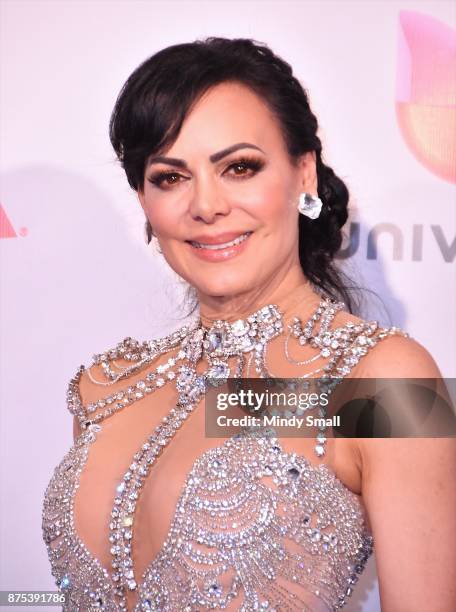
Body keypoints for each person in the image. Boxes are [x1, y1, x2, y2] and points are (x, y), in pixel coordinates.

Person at [42, 37, 455, 611]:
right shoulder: (106, 388)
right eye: (170, 176)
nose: (206, 205)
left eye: (239, 167)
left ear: (303, 173)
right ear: (143, 199)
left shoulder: (382, 381)